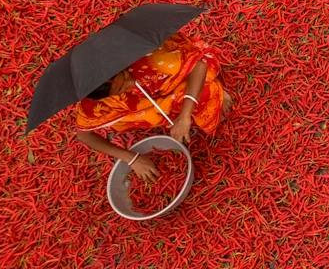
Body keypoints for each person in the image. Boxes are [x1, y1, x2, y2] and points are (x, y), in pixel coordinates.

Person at [72, 31, 230, 181]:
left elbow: (199, 66)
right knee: (119, 114)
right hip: (150, 98)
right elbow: (84, 135)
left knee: (205, 94)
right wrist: (132, 158)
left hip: (177, 75)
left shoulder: (152, 59)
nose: (128, 84)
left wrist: (184, 116)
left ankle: (213, 93)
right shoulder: (95, 98)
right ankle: (165, 112)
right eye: (119, 90)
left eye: (124, 77)